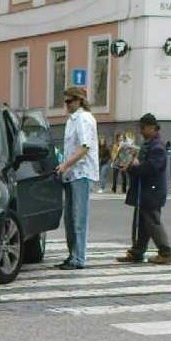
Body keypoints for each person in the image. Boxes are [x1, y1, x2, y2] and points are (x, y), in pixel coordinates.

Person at [116, 113, 171, 265]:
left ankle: (166, 251)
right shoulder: (149, 143)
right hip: (146, 190)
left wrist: (133, 166)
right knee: (142, 222)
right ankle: (137, 251)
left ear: (152, 128)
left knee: (152, 221)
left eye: (142, 128)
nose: (141, 131)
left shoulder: (157, 146)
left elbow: (152, 168)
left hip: (152, 190)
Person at [55, 87, 99, 270]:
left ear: (79, 100)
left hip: (81, 172)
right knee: (70, 217)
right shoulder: (72, 120)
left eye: (69, 102)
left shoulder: (83, 119)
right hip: (72, 173)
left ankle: (79, 257)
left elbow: (84, 147)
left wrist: (66, 164)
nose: (67, 105)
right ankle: (72, 253)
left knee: (78, 217)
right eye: (65, 102)